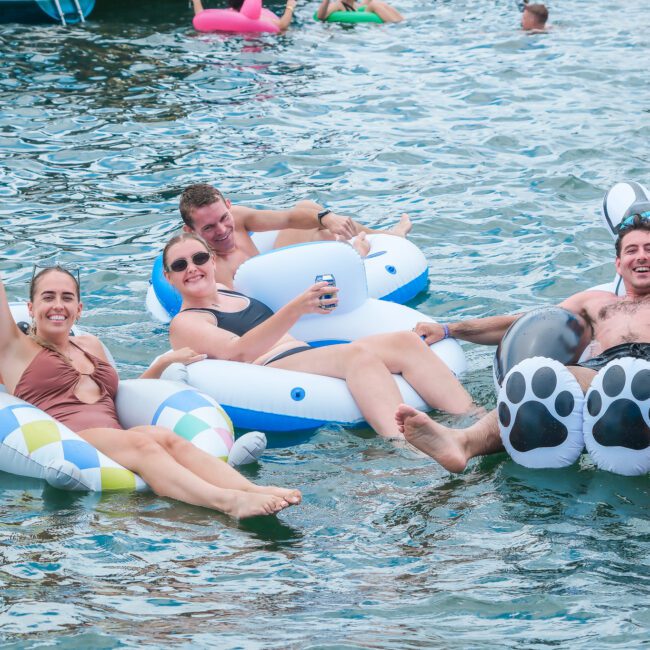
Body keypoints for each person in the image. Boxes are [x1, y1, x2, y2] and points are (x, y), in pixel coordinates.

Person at [0, 265, 301, 518]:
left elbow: (121, 395)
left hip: (116, 436)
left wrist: (163, 363)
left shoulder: (91, 346)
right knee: (144, 446)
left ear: (78, 309)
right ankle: (228, 502)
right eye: (47, 297)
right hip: (73, 439)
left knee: (167, 438)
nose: (57, 305)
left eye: (67, 297)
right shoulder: (15, 348)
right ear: (31, 307)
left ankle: (251, 490)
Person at [395, 212, 650, 471]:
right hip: (602, 372)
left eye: (649, 249)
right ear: (619, 264)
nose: (641, 256)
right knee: (540, 379)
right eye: (632, 250)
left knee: (630, 382)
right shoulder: (595, 301)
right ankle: (463, 442)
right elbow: (530, 324)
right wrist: (450, 329)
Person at [164, 232, 478, 439]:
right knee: (357, 356)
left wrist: (357, 250)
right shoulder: (186, 321)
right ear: (169, 277)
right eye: (180, 265)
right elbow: (238, 352)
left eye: (199, 258)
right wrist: (297, 307)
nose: (192, 268)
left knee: (406, 341)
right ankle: (404, 443)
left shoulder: (226, 290)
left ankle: (474, 419)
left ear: (212, 261)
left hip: (301, 354)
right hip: (272, 368)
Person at [179, 183, 412, 281]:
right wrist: (354, 256)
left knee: (308, 209)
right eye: (208, 228)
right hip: (286, 289)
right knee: (330, 238)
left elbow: (289, 218)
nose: (222, 231)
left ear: (229, 205)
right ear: (190, 231)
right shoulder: (205, 266)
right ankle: (374, 241)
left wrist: (327, 217)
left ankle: (386, 236)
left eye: (223, 218)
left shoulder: (237, 217)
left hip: (276, 267)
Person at [190, 0, 297, 32]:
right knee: (285, 33)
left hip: (223, 38)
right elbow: (282, 25)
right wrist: (290, 6)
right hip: (256, 42)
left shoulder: (225, 15)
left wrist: (196, 2)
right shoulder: (260, 18)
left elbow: (200, 16)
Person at [316, 0, 403, 23]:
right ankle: (396, 23)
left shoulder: (356, 5)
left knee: (374, 2)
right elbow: (320, 17)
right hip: (350, 31)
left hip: (364, 25)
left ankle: (401, 21)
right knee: (374, 4)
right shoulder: (339, 4)